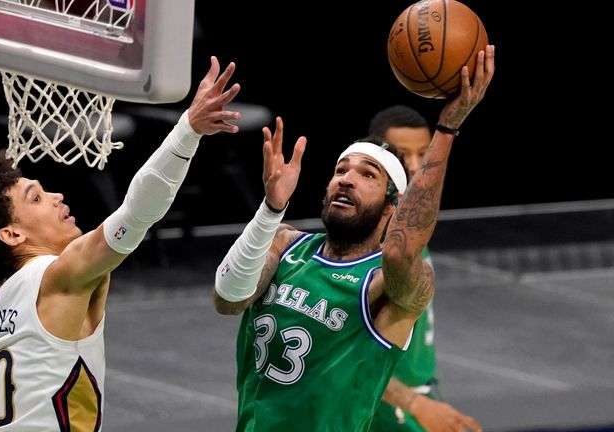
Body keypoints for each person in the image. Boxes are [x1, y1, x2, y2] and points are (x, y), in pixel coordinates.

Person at [0, 56, 241, 432]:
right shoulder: (59, 275)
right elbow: (137, 212)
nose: (57, 196)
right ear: (12, 234)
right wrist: (188, 130)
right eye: (35, 198)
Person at [212, 45, 495, 431]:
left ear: (393, 205)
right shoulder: (285, 244)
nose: (346, 178)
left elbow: (401, 252)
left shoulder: (383, 283)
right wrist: (270, 209)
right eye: (341, 169)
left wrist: (447, 128)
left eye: (368, 175)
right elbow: (228, 300)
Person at [368, 105, 481, 432]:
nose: (416, 167)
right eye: (405, 156)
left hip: (421, 394)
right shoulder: (371, 242)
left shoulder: (411, 229)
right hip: (387, 407)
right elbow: (343, 352)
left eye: (424, 154)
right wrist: (414, 403)